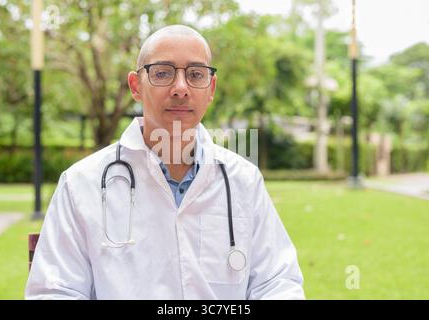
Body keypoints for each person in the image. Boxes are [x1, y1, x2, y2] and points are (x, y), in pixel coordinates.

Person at [25, 25, 304, 300]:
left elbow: (277, 281)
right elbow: (54, 291)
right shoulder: (81, 184)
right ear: (135, 86)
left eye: (196, 74)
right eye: (162, 73)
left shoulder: (243, 180)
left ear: (211, 88)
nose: (181, 88)